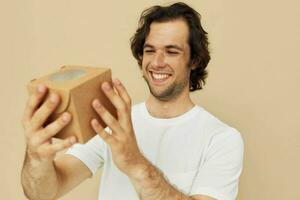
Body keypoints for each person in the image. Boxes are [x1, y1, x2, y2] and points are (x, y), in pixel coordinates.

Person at [21, 2, 244, 200]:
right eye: (150, 50)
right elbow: (43, 193)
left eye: (171, 51)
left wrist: (134, 162)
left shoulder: (222, 139)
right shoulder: (113, 124)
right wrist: (37, 157)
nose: (157, 62)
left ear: (194, 60)